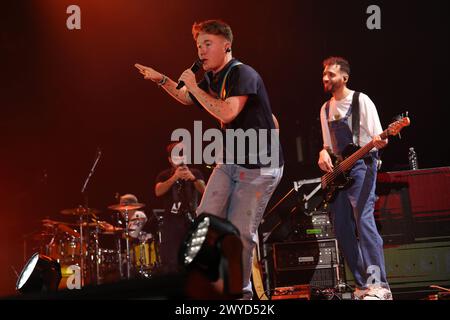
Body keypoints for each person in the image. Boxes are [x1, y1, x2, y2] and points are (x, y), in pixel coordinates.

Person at [135, 19, 283, 299]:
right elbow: (186, 97)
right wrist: (162, 80)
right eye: (198, 45)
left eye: (208, 44)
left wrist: (194, 85)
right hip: (231, 160)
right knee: (206, 221)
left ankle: (241, 293)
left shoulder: (243, 74)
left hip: (260, 167)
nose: (201, 51)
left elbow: (227, 113)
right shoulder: (214, 76)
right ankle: (213, 282)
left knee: (240, 231)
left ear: (226, 45)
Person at [317, 56, 392, 300]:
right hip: (339, 172)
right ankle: (362, 286)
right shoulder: (325, 108)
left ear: (344, 78)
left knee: (364, 221)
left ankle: (380, 286)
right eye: (324, 74)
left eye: (331, 74)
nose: (326, 78)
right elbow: (328, 147)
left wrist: (382, 138)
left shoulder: (362, 101)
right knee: (342, 227)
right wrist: (322, 154)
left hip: (363, 166)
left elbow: (380, 138)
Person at [155, 142, 206, 274]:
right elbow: (158, 191)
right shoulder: (164, 175)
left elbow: (205, 191)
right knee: (171, 261)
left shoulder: (195, 172)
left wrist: (193, 179)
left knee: (195, 259)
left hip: (192, 219)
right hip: (171, 222)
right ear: (170, 160)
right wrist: (174, 177)